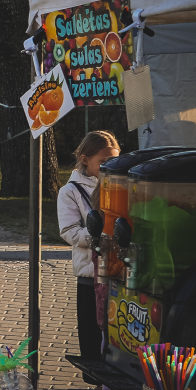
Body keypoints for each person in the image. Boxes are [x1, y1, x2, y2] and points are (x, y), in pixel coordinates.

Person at [58, 130, 119, 361]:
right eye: (103, 162)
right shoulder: (71, 191)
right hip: (90, 274)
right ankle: (96, 385)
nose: (108, 167)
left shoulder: (119, 186)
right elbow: (69, 232)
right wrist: (102, 237)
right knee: (94, 336)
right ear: (85, 159)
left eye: (114, 161)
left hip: (117, 272)